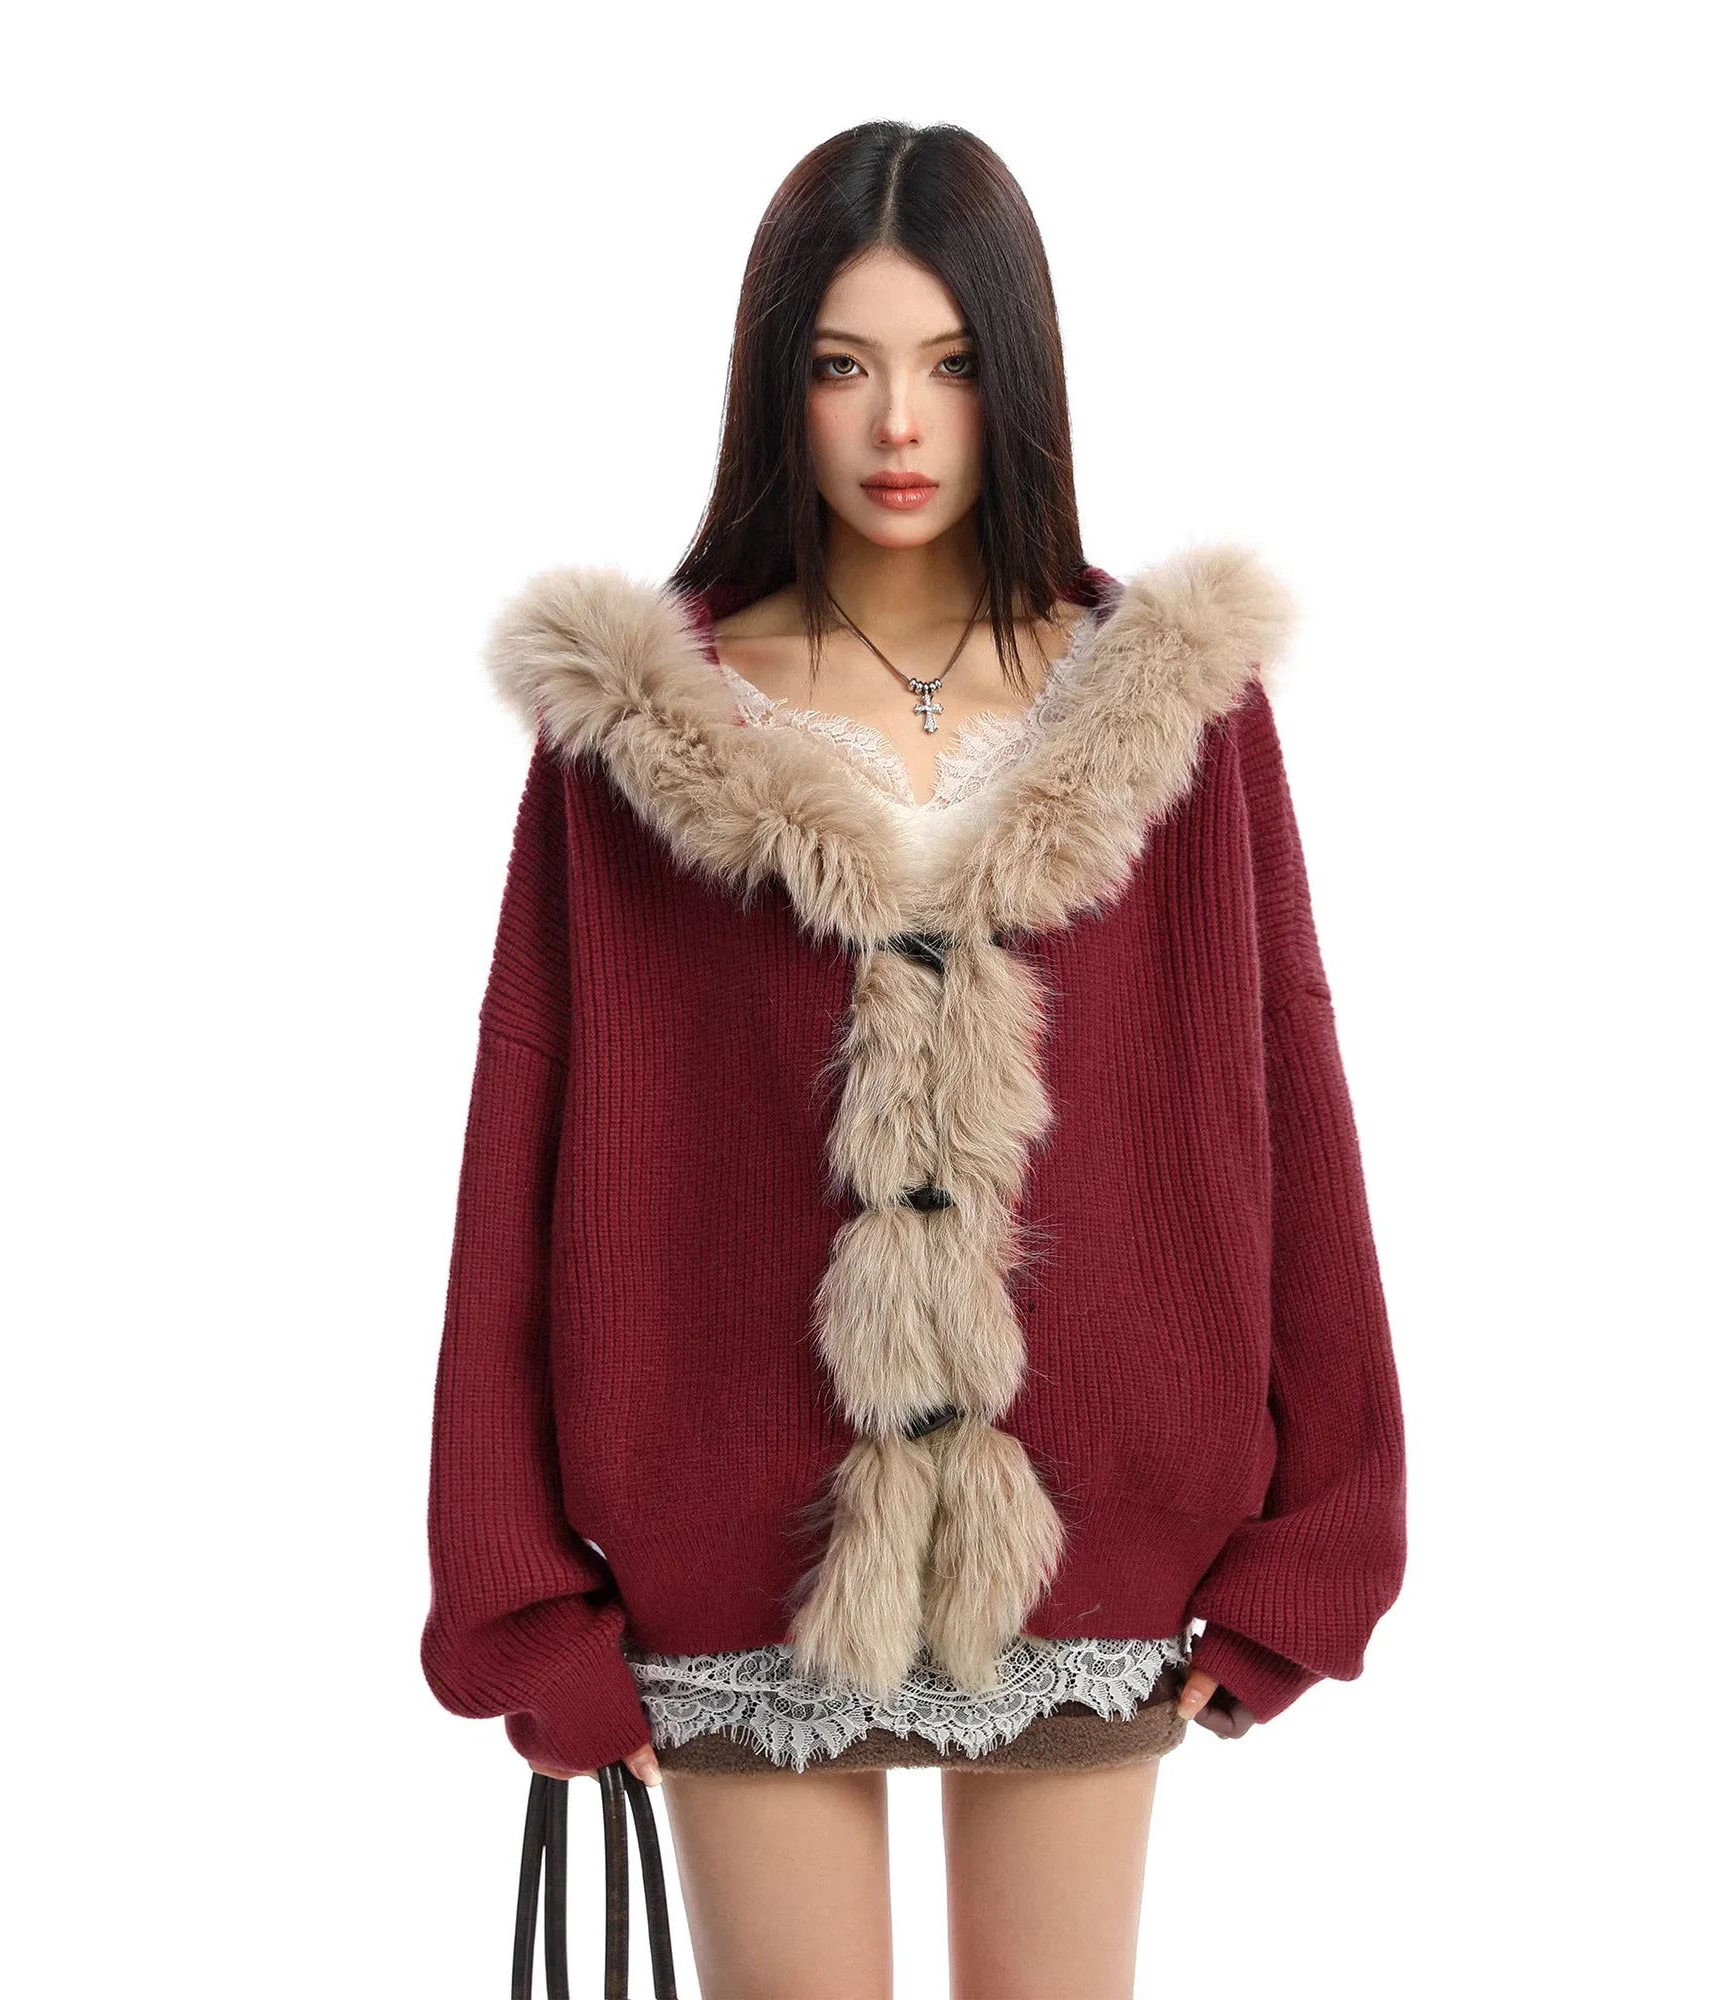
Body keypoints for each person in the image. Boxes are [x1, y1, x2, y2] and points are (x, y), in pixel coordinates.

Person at [422, 119, 1407, 2000]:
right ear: (772, 384)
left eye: (951, 364)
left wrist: (1325, 1536)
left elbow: (1287, 1094)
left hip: (1094, 1537)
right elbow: (524, 1139)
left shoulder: (1175, 708)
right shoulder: (632, 729)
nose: (898, 424)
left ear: (1016, 379)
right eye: (842, 364)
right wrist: (521, 1598)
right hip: (738, 1548)